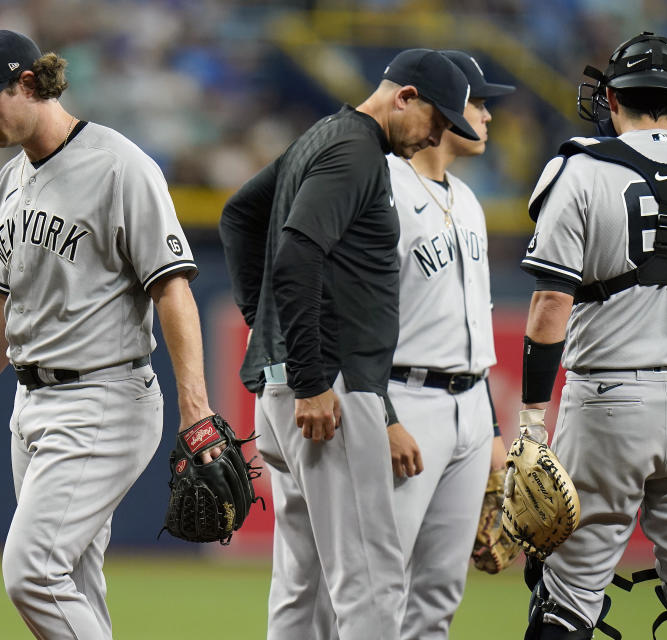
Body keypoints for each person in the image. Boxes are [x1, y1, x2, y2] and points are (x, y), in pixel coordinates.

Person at [0, 29, 220, 639]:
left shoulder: (121, 167)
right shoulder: (10, 181)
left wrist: (196, 406)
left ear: (30, 84)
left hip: (103, 399)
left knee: (31, 573)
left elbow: (172, 286)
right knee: (75, 585)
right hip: (30, 404)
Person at [220, 49, 479, 640]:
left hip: (293, 389)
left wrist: (271, 332)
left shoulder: (324, 135)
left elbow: (240, 215)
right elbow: (296, 254)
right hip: (328, 393)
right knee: (371, 581)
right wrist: (309, 376)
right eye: (436, 120)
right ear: (404, 96)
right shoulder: (357, 150)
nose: (438, 135)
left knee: (302, 585)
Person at [518, 32, 667, 639]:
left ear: (608, 98)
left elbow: (552, 302)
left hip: (608, 400)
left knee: (567, 594)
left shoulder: (579, 170)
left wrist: (530, 414)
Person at [384, 50, 515, 640]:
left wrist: (488, 429)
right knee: (377, 584)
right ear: (444, 108)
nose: (487, 116)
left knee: (439, 594)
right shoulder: (384, 185)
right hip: (403, 398)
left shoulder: (469, 201)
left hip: (467, 406)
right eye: (479, 103)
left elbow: (478, 329)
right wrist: (381, 417)